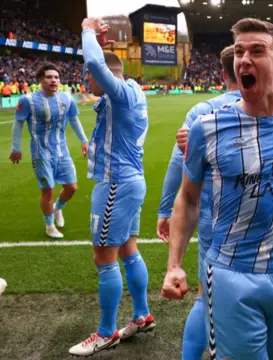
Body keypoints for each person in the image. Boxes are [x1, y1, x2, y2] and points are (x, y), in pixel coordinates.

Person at [161, 18, 273, 359]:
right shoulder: (207, 128)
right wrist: (174, 265)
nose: (244, 60)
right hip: (230, 274)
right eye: (240, 52)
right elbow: (187, 197)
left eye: (257, 51)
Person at [69, 19, 153, 357]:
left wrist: (88, 29)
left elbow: (93, 62)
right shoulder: (131, 91)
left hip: (116, 184)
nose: (88, 80)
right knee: (128, 250)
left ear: (106, 73)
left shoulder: (118, 93)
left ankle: (106, 332)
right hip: (131, 180)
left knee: (104, 259)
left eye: (91, 78)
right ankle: (142, 314)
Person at [157, 45, 241, 360]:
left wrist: (166, 210)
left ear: (222, 73)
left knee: (206, 301)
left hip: (214, 222)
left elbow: (177, 166)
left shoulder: (201, 112)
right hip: (268, 229)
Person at [10, 62, 88, 239]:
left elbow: (74, 120)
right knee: (48, 190)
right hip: (41, 152)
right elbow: (18, 124)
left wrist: (84, 140)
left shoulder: (66, 98)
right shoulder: (28, 100)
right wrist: (16, 148)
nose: (54, 80)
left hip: (62, 151)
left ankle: (57, 209)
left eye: (56, 77)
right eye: (49, 77)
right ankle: (49, 225)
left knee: (72, 187)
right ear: (40, 80)